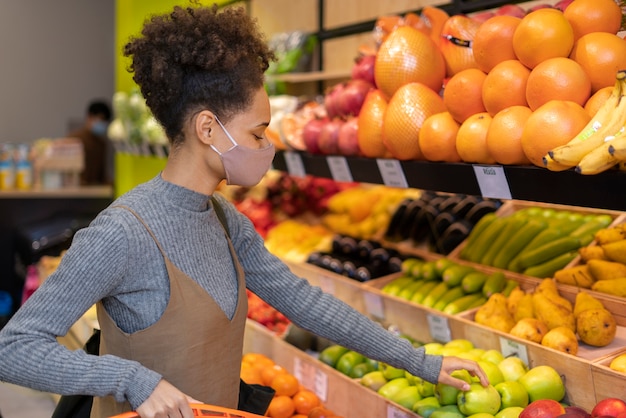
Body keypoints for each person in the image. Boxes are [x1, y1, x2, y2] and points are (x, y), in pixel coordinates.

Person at [0, 4, 488, 418]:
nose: (267, 146)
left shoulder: (226, 221)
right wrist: (130, 379)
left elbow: (305, 302)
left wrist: (421, 361)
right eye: (257, 133)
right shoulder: (122, 233)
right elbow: (13, 348)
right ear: (208, 129)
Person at [68, 100, 112, 185]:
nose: (103, 124)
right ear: (90, 116)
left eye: (105, 121)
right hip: (76, 191)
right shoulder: (74, 140)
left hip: (94, 191)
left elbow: (102, 176)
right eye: (101, 119)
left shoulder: (101, 144)